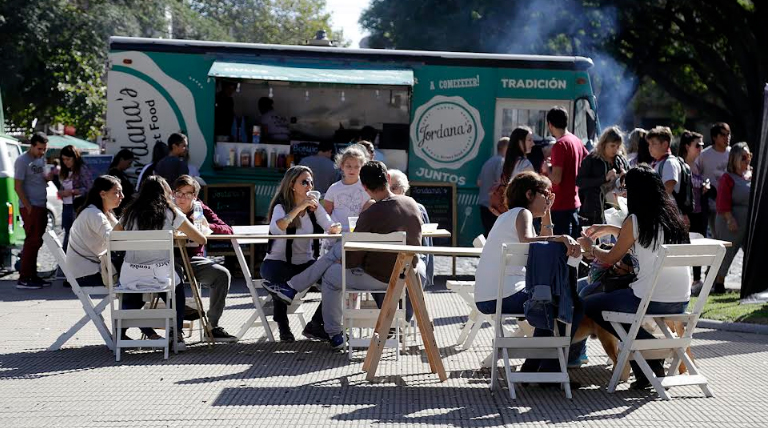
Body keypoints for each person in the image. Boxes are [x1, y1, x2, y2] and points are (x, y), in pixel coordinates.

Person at [265, 161, 423, 350]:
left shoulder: (371, 213)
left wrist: (345, 259)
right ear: (388, 179)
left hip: (378, 278)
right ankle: (295, 292)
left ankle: (334, 333)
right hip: (405, 274)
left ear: (364, 187)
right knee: (338, 251)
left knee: (332, 274)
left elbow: (354, 257)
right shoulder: (412, 204)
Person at [578, 164, 691, 390]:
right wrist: (611, 229)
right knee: (611, 304)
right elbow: (644, 239)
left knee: (588, 303)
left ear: (635, 192)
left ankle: (651, 353)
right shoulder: (673, 218)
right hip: (680, 301)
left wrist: (590, 248)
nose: (624, 194)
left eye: (625, 189)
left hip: (649, 298)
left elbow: (610, 258)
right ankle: (648, 369)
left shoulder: (636, 219)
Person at [115, 176, 207, 350]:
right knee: (175, 283)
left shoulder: (129, 213)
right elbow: (200, 239)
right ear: (166, 193)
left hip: (131, 275)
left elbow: (112, 237)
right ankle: (176, 332)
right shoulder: (170, 212)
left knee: (137, 287)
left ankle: (120, 332)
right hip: (161, 275)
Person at [474, 171, 581, 316]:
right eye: (545, 193)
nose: (548, 198)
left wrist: (547, 210)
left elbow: (543, 244)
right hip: (506, 297)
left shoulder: (507, 216)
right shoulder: (523, 213)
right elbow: (528, 242)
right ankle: (555, 339)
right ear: (529, 194)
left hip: (486, 299)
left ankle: (542, 338)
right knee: (571, 303)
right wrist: (562, 237)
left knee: (555, 299)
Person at [260, 166, 341, 342]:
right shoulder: (281, 207)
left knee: (335, 279)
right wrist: (299, 207)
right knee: (279, 278)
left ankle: (315, 324)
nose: (309, 186)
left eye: (311, 182)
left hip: (306, 264)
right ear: (292, 185)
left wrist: (335, 227)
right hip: (277, 262)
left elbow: (329, 226)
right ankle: (283, 325)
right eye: (304, 182)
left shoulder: (314, 207)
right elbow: (278, 227)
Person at [172, 175, 237, 341]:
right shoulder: (167, 209)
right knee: (174, 279)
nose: (182, 198)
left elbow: (227, 230)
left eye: (188, 194)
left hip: (194, 259)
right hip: (170, 258)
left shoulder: (200, 209)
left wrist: (208, 226)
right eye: (179, 193)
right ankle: (175, 329)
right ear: (173, 193)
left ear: (195, 196)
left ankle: (212, 326)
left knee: (222, 274)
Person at [65, 175, 123, 287]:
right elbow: (114, 240)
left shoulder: (104, 213)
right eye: (117, 192)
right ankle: (130, 304)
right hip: (87, 275)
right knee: (136, 278)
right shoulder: (94, 214)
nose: (122, 196)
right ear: (102, 194)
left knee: (137, 274)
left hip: (89, 271)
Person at [14, 133, 52, 289]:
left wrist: (48, 178)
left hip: (41, 205)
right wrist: (28, 207)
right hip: (31, 207)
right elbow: (17, 186)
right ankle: (24, 278)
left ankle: (32, 275)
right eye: (39, 148)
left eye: (44, 149)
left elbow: (39, 178)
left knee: (36, 242)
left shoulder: (40, 159)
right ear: (32, 145)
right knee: (31, 242)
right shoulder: (22, 161)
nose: (42, 152)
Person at [713, 142, 752, 295]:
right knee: (727, 254)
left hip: (747, 222)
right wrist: (730, 219)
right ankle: (719, 283)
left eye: (749, 156)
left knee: (750, 255)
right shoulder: (727, 178)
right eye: (743, 157)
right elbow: (722, 202)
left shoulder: (751, 175)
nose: (747, 160)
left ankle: (748, 285)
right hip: (730, 221)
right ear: (734, 158)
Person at [546, 106, 589, 238]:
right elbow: (587, 161)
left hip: (560, 206)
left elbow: (556, 179)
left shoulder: (559, 145)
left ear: (550, 125)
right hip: (574, 202)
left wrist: (546, 169)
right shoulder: (576, 141)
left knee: (561, 250)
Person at [389, 168, 435, 289]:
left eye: (393, 188)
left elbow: (426, 244)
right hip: (388, 259)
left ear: (403, 189)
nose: (390, 192)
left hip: (412, 259)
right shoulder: (379, 207)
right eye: (387, 188)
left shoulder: (417, 208)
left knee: (416, 274)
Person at [576, 126, 629, 226]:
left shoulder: (621, 160)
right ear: (604, 144)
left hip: (616, 212)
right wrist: (604, 178)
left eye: (618, 146)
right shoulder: (592, 159)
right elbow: (580, 182)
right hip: (594, 212)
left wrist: (625, 176)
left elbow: (631, 181)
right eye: (612, 146)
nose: (615, 150)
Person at [678, 131, 710, 294]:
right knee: (683, 247)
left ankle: (696, 279)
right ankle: (683, 281)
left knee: (698, 246)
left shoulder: (698, 165)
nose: (700, 149)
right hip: (685, 214)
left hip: (699, 212)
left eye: (702, 145)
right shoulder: (680, 165)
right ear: (687, 146)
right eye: (697, 145)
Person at [323, 145, 373, 232]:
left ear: (362, 167)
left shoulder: (367, 188)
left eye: (356, 167)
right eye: (348, 166)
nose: (352, 170)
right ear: (342, 166)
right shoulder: (334, 188)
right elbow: (326, 213)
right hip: (336, 234)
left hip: (356, 233)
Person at [694, 122, 732, 238]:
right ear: (715, 137)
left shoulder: (732, 153)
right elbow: (696, 174)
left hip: (730, 204)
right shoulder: (704, 155)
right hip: (711, 205)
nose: (727, 138)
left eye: (728, 134)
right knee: (717, 237)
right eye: (723, 135)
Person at [489, 128, 535, 218]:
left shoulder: (506, 163)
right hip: (523, 212)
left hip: (508, 211)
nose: (533, 143)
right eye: (529, 140)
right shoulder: (525, 164)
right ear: (520, 142)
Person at [58, 145, 93, 253]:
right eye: (63, 159)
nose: (66, 162)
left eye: (68, 159)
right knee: (68, 233)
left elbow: (89, 188)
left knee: (72, 236)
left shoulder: (82, 169)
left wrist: (72, 191)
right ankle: (64, 263)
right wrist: (61, 192)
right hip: (66, 205)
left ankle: (64, 263)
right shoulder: (65, 171)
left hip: (77, 206)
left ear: (75, 157)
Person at [477, 137, 509, 235]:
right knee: (495, 234)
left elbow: (478, 182)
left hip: (483, 203)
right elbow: (501, 183)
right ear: (507, 148)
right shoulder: (502, 162)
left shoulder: (488, 162)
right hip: (494, 206)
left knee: (488, 233)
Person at [647, 126, 681, 196]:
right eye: (649, 144)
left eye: (653, 143)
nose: (650, 147)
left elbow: (667, 191)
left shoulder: (669, 163)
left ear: (665, 144)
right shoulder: (657, 163)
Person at [107, 149, 136, 216]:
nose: (129, 166)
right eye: (129, 163)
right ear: (121, 159)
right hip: (118, 209)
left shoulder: (121, 173)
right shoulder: (113, 174)